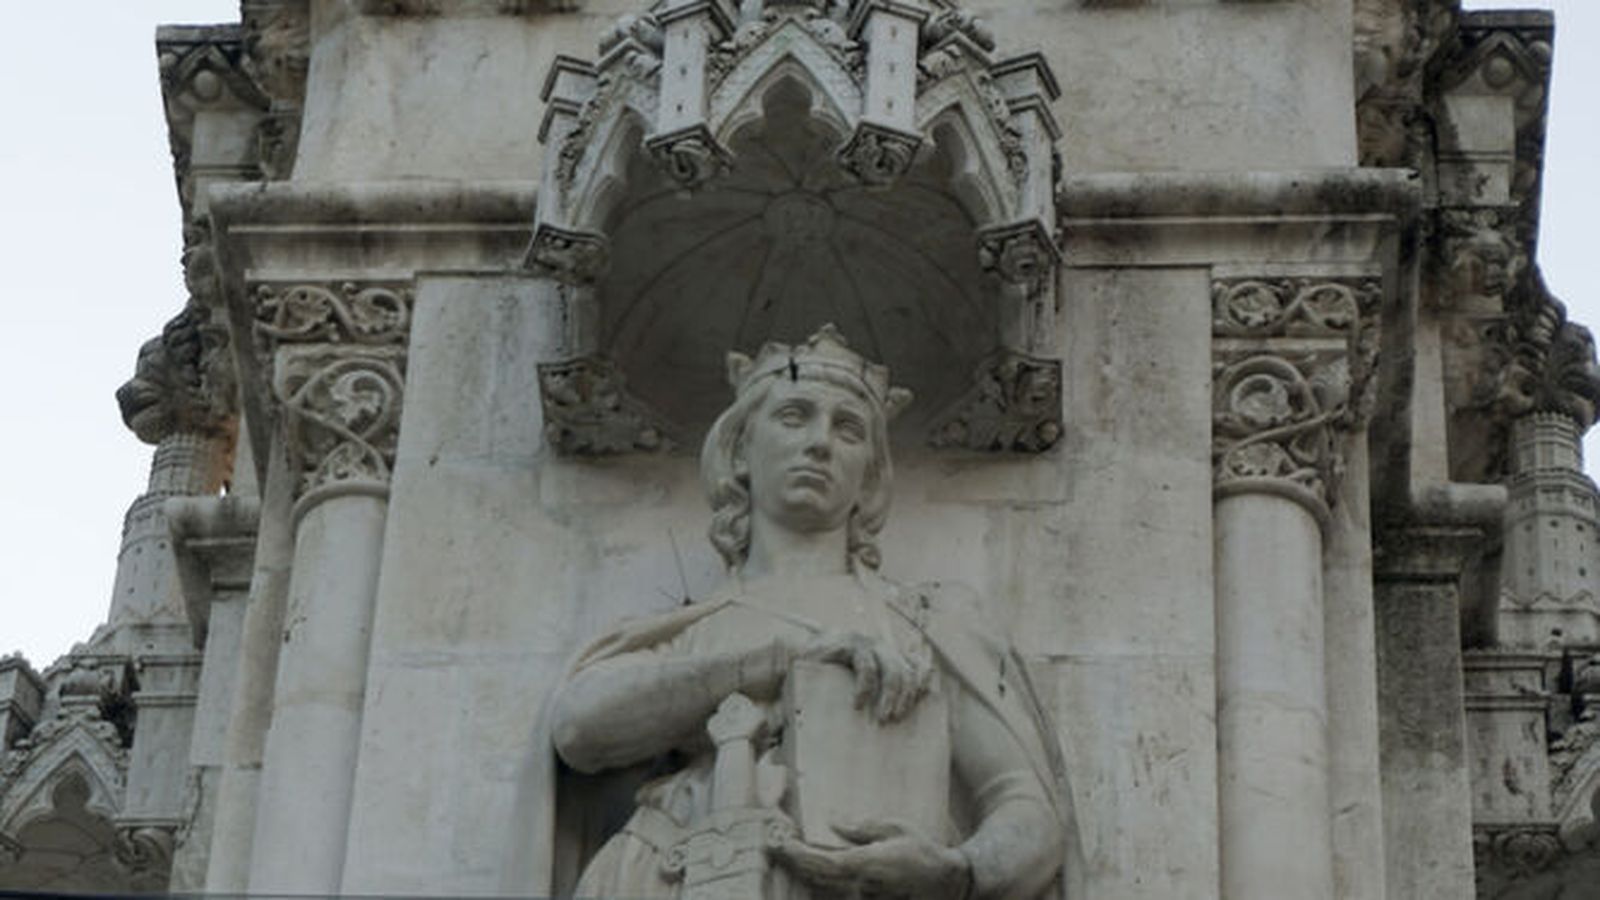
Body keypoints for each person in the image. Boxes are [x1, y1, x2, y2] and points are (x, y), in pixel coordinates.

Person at [548, 325, 1074, 898]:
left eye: (847, 429)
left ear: (871, 473)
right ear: (741, 452)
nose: (821, 443)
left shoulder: (924, 623)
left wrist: (956, 872)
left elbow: (1025, 805)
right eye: (794, 416)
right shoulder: (696, 627)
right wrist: (781, 658)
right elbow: (580, 727)